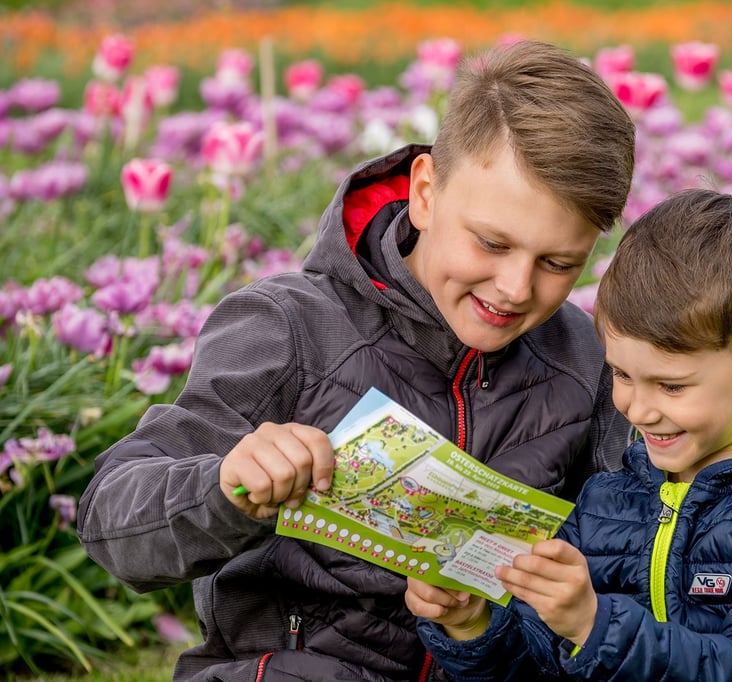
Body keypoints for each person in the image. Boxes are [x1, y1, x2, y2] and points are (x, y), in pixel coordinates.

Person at [77, 40, 636, 681]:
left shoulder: (588, 360)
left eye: (557, 263)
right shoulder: (286, 326)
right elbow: (108, 523)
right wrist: (225, 485)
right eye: (491, 243)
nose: (514, 287)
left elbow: (629, 551)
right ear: (425, 192)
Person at [408, 188, 732, 681]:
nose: (637, 408)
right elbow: (540, 667)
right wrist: (472, 624)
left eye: (671, 385)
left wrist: (595, 625)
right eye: (621, 375)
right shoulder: (608, 501)